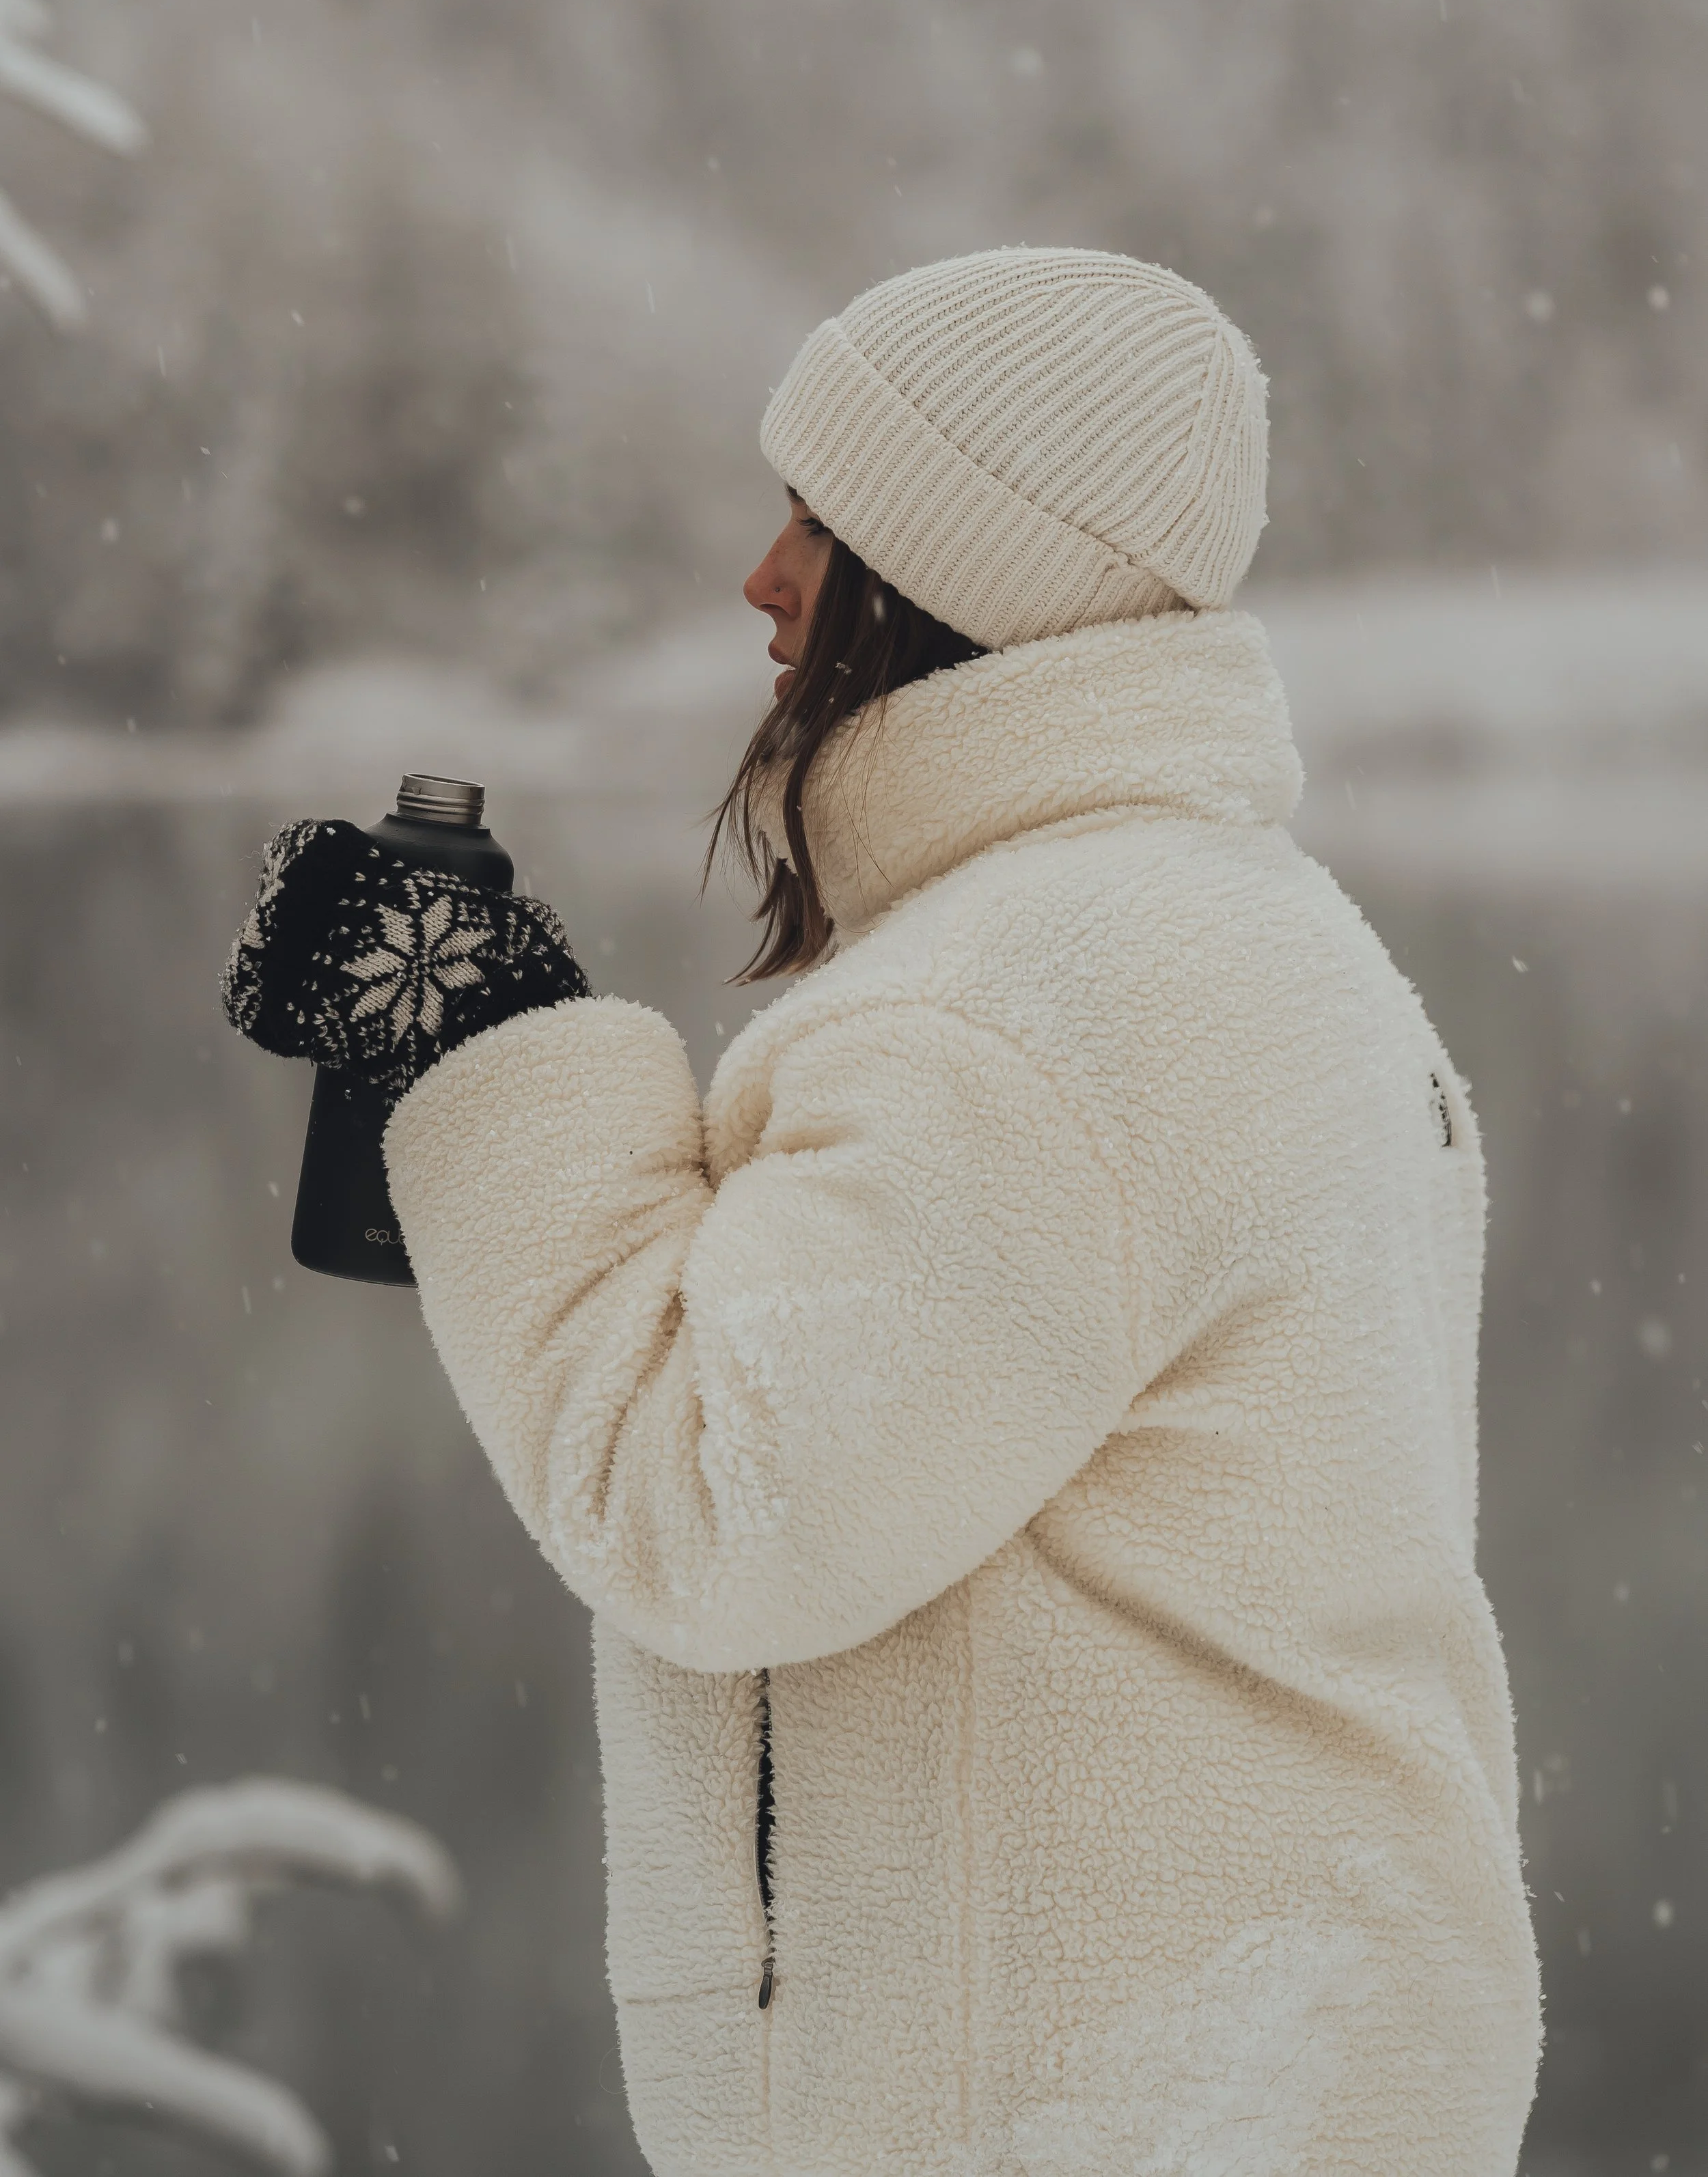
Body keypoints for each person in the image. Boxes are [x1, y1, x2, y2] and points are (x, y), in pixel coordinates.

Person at [223, 248, 1541, 2175]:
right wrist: (513, 1084)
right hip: (1276, 2057)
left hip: (1070, 2106)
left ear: (958, 580)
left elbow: (716, 1505)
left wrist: (480, 1049)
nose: (764, 578)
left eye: (822, 526)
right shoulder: (1256, 941)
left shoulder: (1026, 1000)